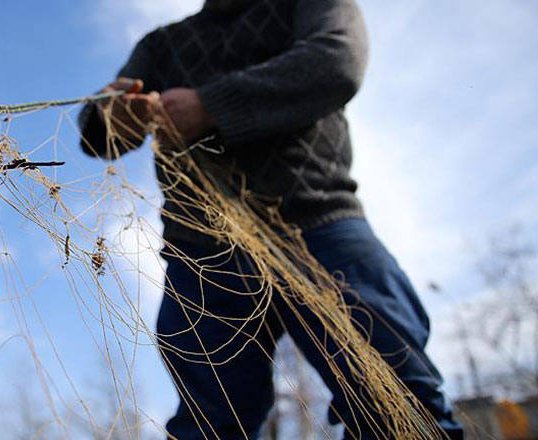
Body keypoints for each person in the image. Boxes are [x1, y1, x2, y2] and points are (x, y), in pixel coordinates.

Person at [78, 0, 464, 438]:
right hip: (202, 254)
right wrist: (110, 113)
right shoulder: (160, 45)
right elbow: (96, 133)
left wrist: (209, 106)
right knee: (209, 425)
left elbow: (337, 60)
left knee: (396, 398)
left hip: (318, 223)